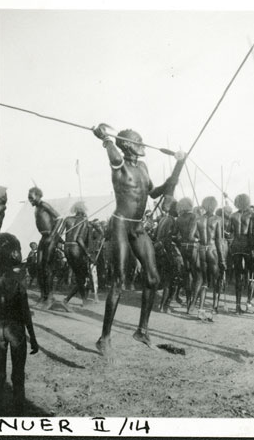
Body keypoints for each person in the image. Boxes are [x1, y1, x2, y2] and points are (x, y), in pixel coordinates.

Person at [92, 124, 185, 354]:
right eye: (137, 141)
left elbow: (156, 192)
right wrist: (104, 137)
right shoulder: (119, 164)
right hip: (121, 225)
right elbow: (110, 147)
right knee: (119, 281)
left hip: (138, 227)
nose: (142, 144)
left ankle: (141, 330)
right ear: (126, 145)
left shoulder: (142, 167)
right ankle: (104, 338)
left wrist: (179, 165)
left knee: (153, 279)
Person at [0, 233, 39, 415]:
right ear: (14, 253)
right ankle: (19, 410)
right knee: (18, 375)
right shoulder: (18, 279)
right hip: (15, 329)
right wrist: (33, 339)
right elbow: (25, 312)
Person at [28, 187, 63, 310]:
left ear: (38, 196)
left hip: (50, 237)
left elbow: (59, 218)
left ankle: (50, 297)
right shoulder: (37, 208)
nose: (29, 200)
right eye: (29, 198)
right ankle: (43, 296)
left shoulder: (44, 205)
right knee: (39, 267)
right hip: (43, 237)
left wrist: (53, 235)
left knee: (47, 267)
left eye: (31, 197)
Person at [195, 196, 226, 319]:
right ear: (214, 205)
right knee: (217, 280)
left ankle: (201, 309)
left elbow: (195, 235)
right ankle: (214, 308)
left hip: (202, 250)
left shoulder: (198, 219)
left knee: (204, 281)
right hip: (213, 250)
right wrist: (222, 259)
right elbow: (218, 240)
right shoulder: (218, 219)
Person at [59, 201, 90, 308]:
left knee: (78, 276)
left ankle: (84, 299)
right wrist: (88, 253)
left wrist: (65, 243)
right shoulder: (84, 221)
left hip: (67, 248)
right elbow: (80, 239)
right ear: (83, 210)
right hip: (76, 248)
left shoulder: (67, 219)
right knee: (81, 276)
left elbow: (58, 235)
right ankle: (68, 299)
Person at [154, 200, 183, 313]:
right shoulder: (172, 220)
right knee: (171, 280)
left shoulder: (163, 219)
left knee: (165, 279)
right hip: (168, 251)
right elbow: (171, 237)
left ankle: (163, 304)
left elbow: (156, 235)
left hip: (159, 251)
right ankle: (164, 305)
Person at [173, 197, 202, 314]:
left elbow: (174, 234)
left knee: (187, 276)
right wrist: (199, 238)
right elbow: (192, 235)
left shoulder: (179, 218)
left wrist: (181, 238)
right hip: (193, 247)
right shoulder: (194, 216)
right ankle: (193, 303)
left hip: (183, 248)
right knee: (198, 276)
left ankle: (189, 301)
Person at [229, 193, 254, 315]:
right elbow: (251, 234)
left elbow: (229, 233)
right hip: (247, 245)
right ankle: (249, 302)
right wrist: (253, 248)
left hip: (235, 246)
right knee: (250, 275)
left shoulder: (233, 216)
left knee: (238, 276)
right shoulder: (251, 215)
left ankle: (237, 306)